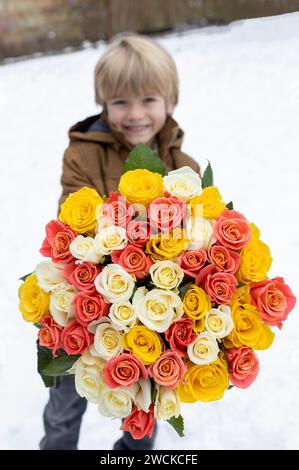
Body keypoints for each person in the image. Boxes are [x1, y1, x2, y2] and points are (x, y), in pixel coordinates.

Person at [40, 33, 201, 451]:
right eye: (120, 102)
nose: (135, 115)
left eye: (148, 100)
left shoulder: (184, 168)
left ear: (171, 99)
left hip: (154, 319)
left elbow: (200, 239)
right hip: (83, 307)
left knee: (142, 408)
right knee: (64, 401)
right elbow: (72, 222)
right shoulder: (82, 155)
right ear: (103, 103)